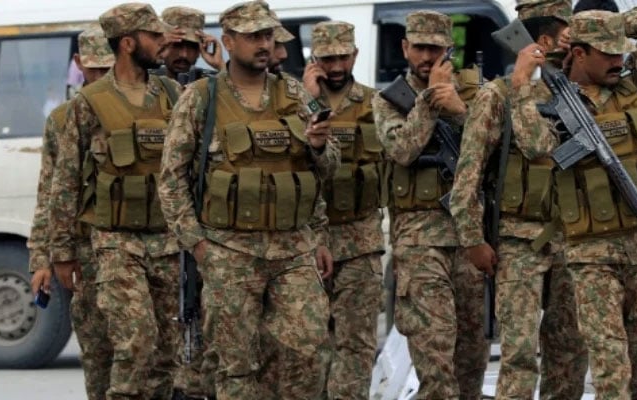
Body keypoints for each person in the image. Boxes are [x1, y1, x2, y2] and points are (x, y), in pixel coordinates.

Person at [157, 1, 340, 398]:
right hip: (229, 250)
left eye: (268, 35)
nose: (263, 43)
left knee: (311, 353)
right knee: (236, 366)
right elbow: (171, 180)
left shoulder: (294, 92)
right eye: (253, 36)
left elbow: (323, 170)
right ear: (228, 41)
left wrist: (320, 147)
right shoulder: (200, 98)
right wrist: (198, 243)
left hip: (293, 250)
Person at [512, 4, 637, 398]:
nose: (619, 60)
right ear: (580, 53)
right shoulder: (544, 95)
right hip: (591, 254)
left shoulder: (634, 86)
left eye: (621, 51)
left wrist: (600, 25)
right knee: (609, 365)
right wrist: (520, 81)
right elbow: (535, 147)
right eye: (608, 53)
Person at [450, 1, 589, 399]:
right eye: (567, 32)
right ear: (545, 40)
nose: (575, 40)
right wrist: (472, 238)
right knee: (519, 354)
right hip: (517, 241)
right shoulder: (498, 95)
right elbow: (469, 172)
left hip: (571, 239)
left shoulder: (576, 92)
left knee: (570, 351)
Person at [48, 3, 183, 399]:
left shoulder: (173, 95)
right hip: (114, 243)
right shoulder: (89, 103)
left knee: (166, 352)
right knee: (136, 341)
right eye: (154, 36)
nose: (164, 43)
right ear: (128, 43)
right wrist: (61, 252)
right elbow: (66, 181)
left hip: (168, 242)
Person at [372, 10, 488, 399]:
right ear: (405, 48)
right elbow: (403, 149)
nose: (426, 57)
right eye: (419, 48)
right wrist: (429, 102)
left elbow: (497, 154)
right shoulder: (389, 101)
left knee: (471, 358)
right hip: (419, 241)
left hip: (470, 238)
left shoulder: (476, 93)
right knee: (435, 360)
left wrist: (458, 109)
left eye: (434, 49)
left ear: (448, 50)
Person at [28, 26, 114, 400]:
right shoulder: (62, 120)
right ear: (79, 65)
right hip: (84, 251)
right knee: (96, 351)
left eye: (107, 70)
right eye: (93, 70)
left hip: (135, 244)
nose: (99, 78)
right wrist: (41, 259)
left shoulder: (139, 111)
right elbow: (49, 191)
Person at [300, 20, 384, 399]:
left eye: (342, 57)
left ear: (355, 56)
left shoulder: (375, 102)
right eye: (327, 59)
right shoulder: (293, 101)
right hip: (304, 244)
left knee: (356, 344)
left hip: (360, 239)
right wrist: (311, 101)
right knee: (306, 346)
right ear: (314, 59)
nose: (336, 67)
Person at [160, 6, 224, 81]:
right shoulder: (147, 78)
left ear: (199, 50)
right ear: (163, 44)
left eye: (192, 47)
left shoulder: (209, 82)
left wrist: (220, 65)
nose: (184, 55)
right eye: (177, 45)